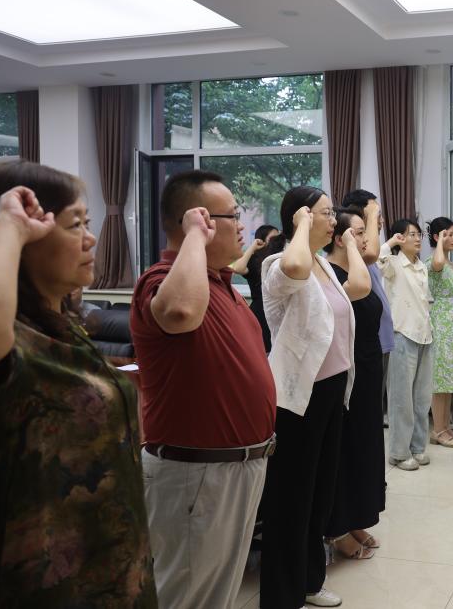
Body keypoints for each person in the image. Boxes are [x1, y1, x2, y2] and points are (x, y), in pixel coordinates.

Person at [0, 161, 157, 606]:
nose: (91, 238)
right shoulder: (2, 342)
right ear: (26, 239)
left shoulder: (65, 330)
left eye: (88, 223)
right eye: (74, 225)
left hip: (109, 574)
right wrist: (9, 223)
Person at [130, 170, 276, 608]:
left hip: (238, 466)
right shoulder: (160, 279)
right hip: (196, 472)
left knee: (216, 593)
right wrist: (193, 236)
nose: (242, 225)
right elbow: (179, 312)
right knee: (187, 595)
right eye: (231, 216)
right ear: (197, 221)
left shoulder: (222, 284)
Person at [260, 186, 365, 609]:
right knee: (292, 497)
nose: (333, 220)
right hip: (298, 398)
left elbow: (360, 287)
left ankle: (309, 580)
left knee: (319, 493)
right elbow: (294, 265)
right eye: (325, 213)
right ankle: (282, 595)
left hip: (332, 390)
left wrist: (349, 242)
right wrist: (301, 226)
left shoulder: (322, 263)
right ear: (300, 217)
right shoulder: (279, 263)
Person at [323, 207, 385, 560]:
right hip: (346, 371)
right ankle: (338, 528)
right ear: (339, 238)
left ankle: (357, 517)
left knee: (365, 448)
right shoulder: (331, 274)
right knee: (346, 450)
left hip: (368, 370)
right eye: (358, 232)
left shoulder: (355, 269)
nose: (366, 240)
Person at [379, 218, 434, 471]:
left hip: (425, 335)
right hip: (403, 335)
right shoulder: (393, 263)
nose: (417, 238)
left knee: (421, 399)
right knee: (401, 399)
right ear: (400, 238)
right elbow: (376, 260)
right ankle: (399, 453)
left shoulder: (421, 267)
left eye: (418, 234)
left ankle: (417, 447)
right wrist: (390, 242)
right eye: (411, 234)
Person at [339, 190, 394, 423]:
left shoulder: (364, 252)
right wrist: (371, 214)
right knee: (365, 414)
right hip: (366, 344)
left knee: (374, 411)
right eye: (376, 214)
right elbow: (371, 252)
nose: (380, 220)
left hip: (379, 340)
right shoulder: (357, 251)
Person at [427, 216, 453, 448]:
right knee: (440, 379)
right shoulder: (434, 261)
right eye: (448, 234)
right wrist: (439, 244)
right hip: (443, 322)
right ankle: (437, 430)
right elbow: (437, 264)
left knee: (450, 377)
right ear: (437, 237)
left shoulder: (450, 263)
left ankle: (446, 427)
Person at [230, 224, 280, 352]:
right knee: (262, 350)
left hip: (278, 312)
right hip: (260, 313)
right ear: (262, 241)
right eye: (273, 238)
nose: (277, 240)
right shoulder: (255, 261)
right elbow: (238, 268)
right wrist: (253, 246)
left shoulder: (281, 260)